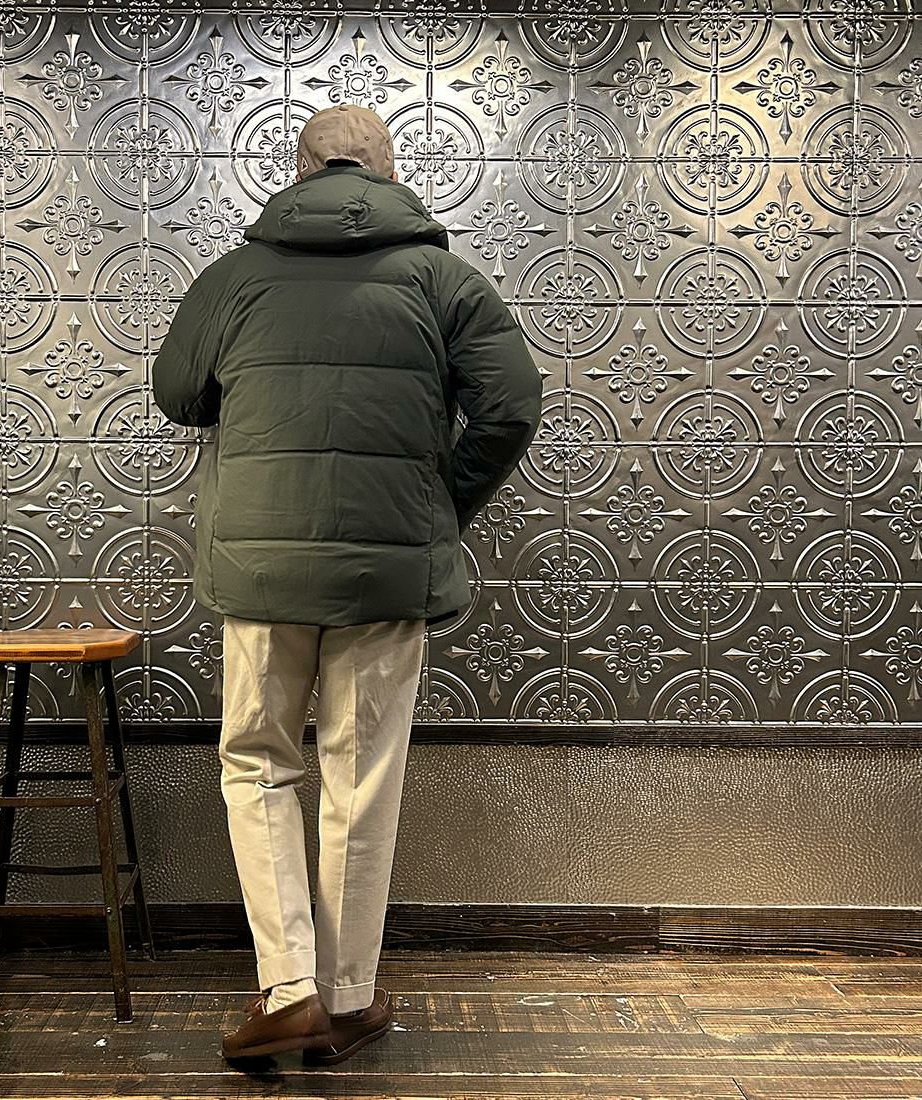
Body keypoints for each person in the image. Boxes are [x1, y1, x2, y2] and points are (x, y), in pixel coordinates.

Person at [151, 103, 542, 1065]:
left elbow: (178, 394)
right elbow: (510, 406)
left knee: (258, 764)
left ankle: (287, 989)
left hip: (260, 568)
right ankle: (348, 997)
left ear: (300, 171)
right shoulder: (446, 279)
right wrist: (436, 504)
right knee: (359, 779)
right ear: (388, 171)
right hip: (387, 573)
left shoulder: (234, 275)